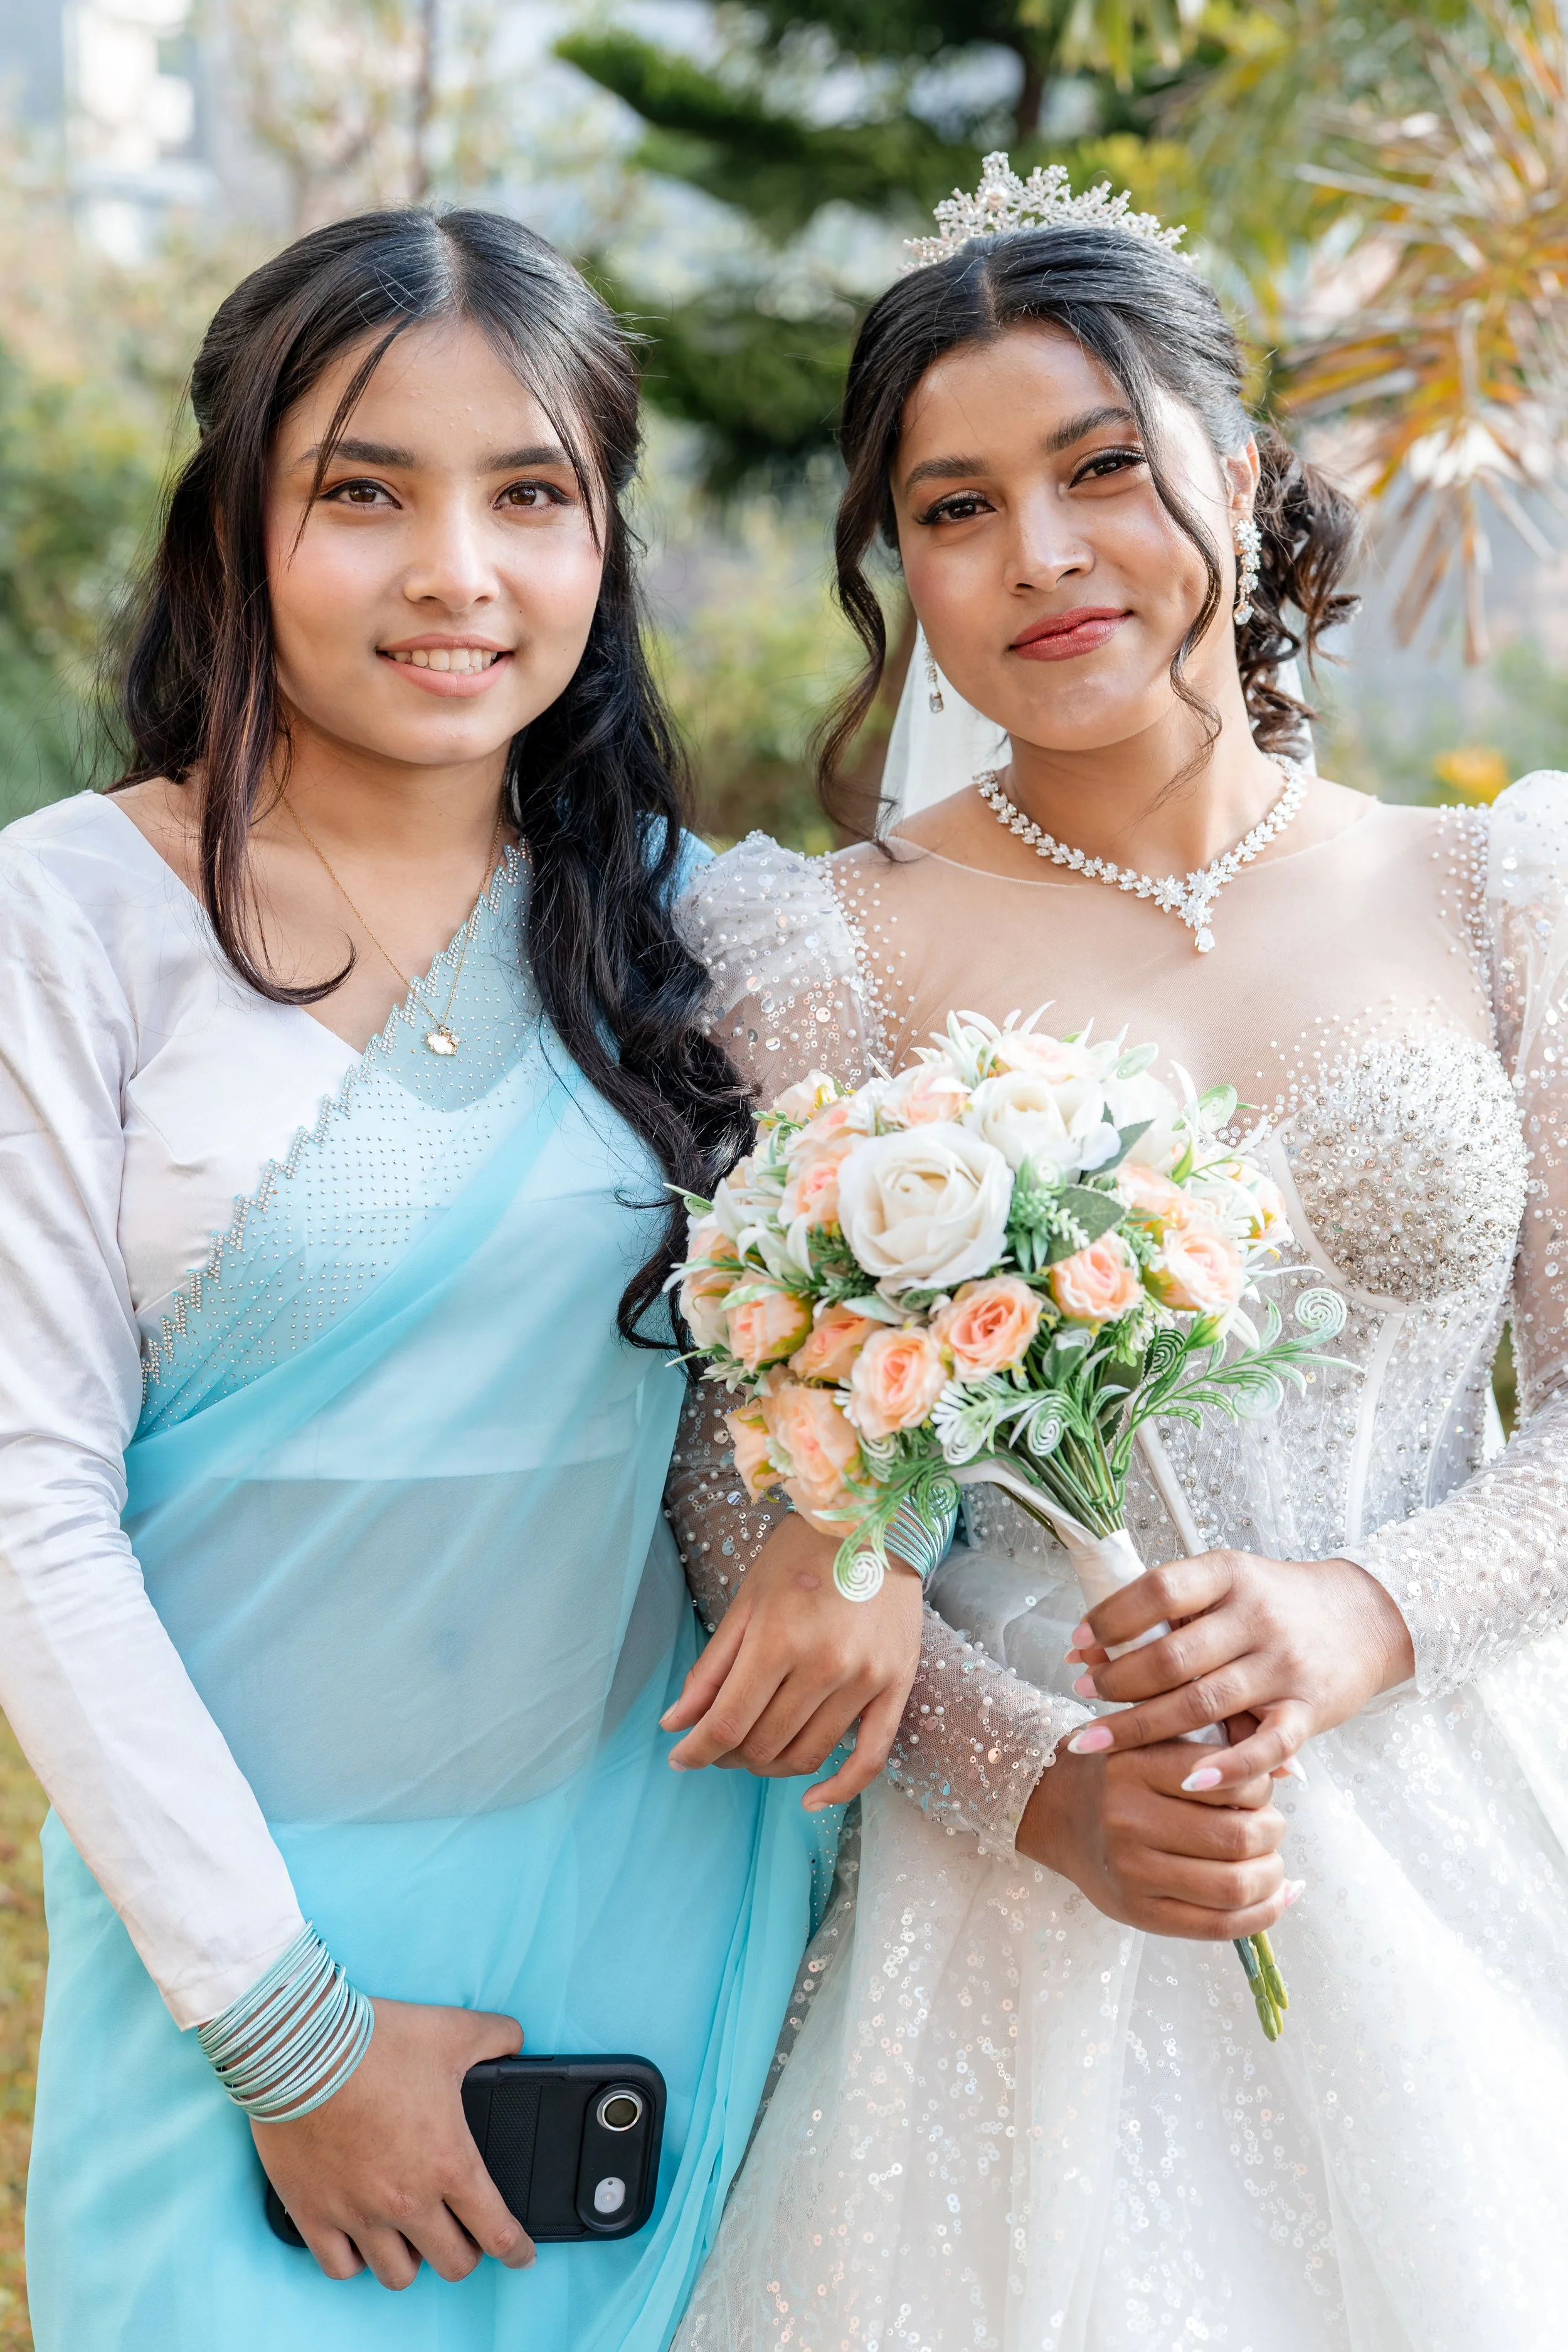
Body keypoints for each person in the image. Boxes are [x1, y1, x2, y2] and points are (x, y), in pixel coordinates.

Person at [0, 206, 921, 2350]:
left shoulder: (712, 941)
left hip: (657, 1907)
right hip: (243, 1966)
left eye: (530, 495)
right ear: (239, 521)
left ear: (604, 538)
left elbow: (890, 1337)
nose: (457, 573)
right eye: (363, 492)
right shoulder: (70, 920)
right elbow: (27, 1511)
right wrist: (291, 2039)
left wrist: (857, 1521)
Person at [666, 159, 1568, 2350]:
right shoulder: (813, 949)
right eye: (952, 508)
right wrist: (1043, 1788)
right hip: (1038, 1920)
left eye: (1098, 469)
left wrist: (1368, 1610)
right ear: (900, 563)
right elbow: (745, 1504)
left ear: (1236, 480)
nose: (1038, 557)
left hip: (1471, 1828)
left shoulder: (1494, 890)